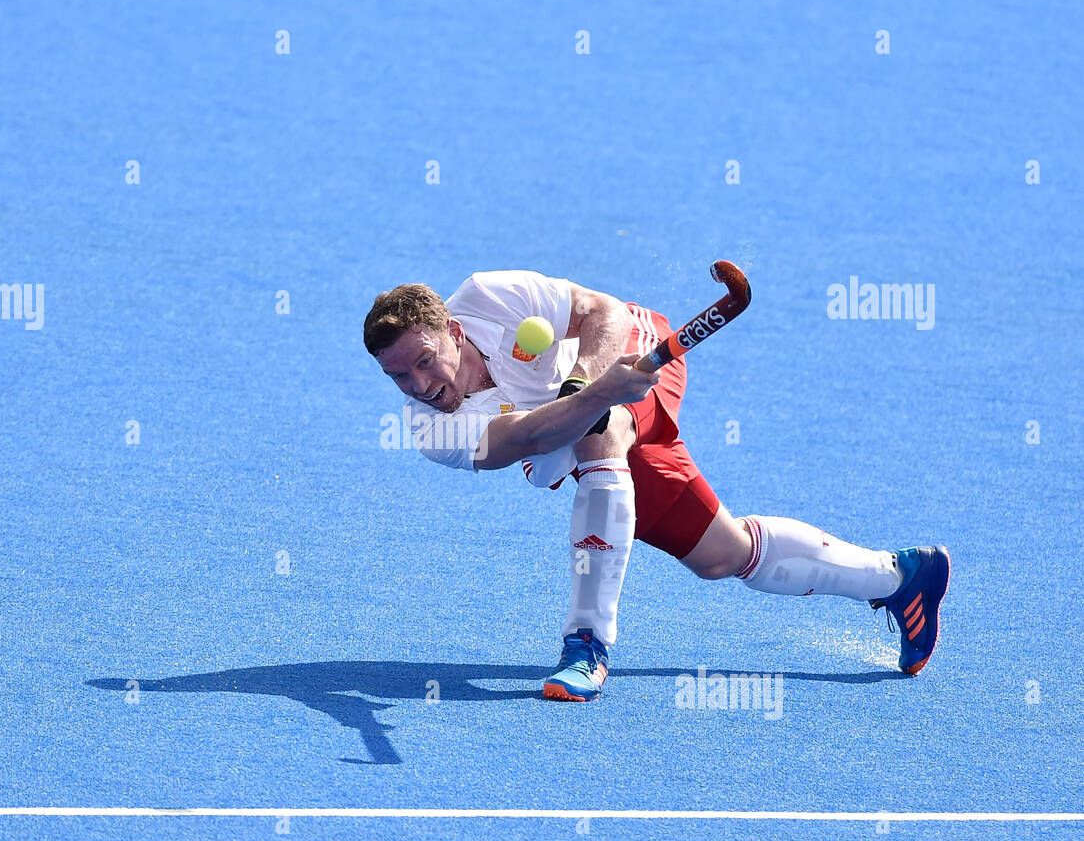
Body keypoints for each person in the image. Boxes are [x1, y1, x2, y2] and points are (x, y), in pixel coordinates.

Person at [363, 270, 950, 700]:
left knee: (597, 435)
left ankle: (586, 645)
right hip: (580, 411)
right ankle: (900, 577)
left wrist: (585, 381)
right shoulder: (429, 430)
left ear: (455, 332)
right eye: (398, 377)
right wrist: (591, 399)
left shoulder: (491, 294)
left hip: (635, 350)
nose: (418, 384)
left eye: (424, 360)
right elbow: (525, 442)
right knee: (723, 555)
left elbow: (601, 312)